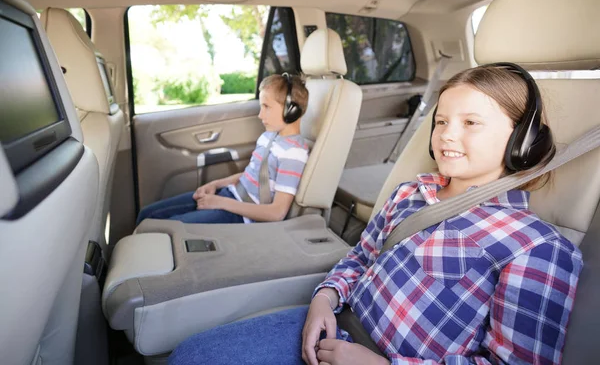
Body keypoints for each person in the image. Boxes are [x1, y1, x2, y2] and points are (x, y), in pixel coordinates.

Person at [168, 64, 583, 365]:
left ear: (523, 142)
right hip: (335, 323)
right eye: (440, 122)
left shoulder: (536, 248)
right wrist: (324, 299)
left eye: (471, 122)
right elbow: (360, 257)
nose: (447, 135)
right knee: (191, 355)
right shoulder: (410, 193)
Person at [136, 74, 310, 225]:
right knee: (147, 215)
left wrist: (220, 203)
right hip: (230, 194)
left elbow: (277, 213)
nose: (260, 115)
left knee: (162, 230)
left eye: (267, 107)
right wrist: (215, 185)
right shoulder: (270, 136)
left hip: (243, 216)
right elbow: (251, 175)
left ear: (291, 110)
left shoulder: (293, 153)